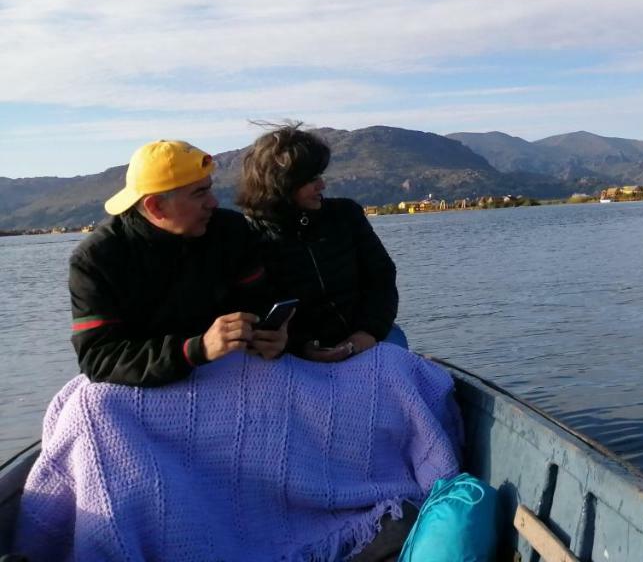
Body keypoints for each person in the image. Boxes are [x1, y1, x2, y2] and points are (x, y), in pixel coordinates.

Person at [69, 140, 287, 386]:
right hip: (148, 386)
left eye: (209, 189)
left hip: (231, 372)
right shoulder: (96, 260)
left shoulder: (231, 230)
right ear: (156, 206)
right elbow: (98, 359)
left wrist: (275, 336)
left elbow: (262, 302)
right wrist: (197, 348)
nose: (213, 202)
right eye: (200, 193)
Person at [237, 123, 403, 361]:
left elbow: (382, 277)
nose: (322, 185)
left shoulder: (346, 215)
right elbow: (254, 309)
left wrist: (366, 334)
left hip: (372, 336)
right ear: (281, 183)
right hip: (293, 354)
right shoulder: (246, 236)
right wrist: (300, 345)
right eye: (311, 179)